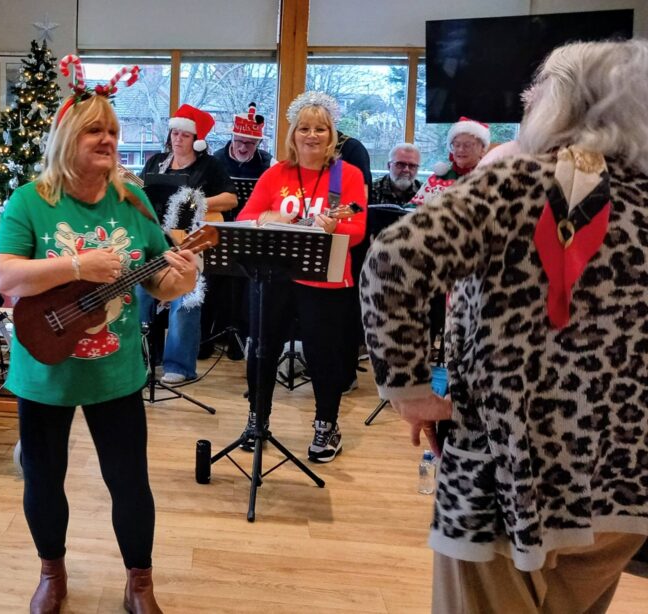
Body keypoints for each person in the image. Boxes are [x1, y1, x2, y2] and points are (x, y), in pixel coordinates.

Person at [360, 39, 648, 612]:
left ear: (559, 104)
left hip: (505, 470)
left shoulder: (517, 182)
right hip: (621, 480)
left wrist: (412, 392)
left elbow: (393, 260)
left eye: (535, 92)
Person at [0, 57, 197, 614]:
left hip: (116, 370)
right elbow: (6, 274)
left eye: (113, 130)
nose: (108, 139)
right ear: (66, 136)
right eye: (95, 129)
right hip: (45, 368)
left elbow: (157, 276)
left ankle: (140, 583)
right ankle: (51, 574)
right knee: (43, 479)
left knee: (130, 482)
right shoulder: (31, 200)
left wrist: (181, 277)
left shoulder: (131, 199)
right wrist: (78, 267)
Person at [236, 91, 367, 463]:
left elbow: (357, 226)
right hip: (273, 277)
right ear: (293, 134)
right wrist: (274, 217)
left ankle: (327, 425)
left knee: (324, 355)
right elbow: (247, 217)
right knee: (262, 350)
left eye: (321, 129)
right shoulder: (275, 173)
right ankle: (256, 420)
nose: (312, 136)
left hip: (326, 280)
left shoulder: (349, 176)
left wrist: (334, 228)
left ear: (332, 135)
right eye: (304, 128)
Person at [138, 103, 237, 383]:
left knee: (185, 301)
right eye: (174, 134)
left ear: (197, 140)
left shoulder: (210, 166)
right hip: (156, 240)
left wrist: (195, 203)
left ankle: (179, 366)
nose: (177, 139)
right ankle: (143, 359)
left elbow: (231, 199)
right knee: (141, 295)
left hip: (192, 242)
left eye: (184, 135)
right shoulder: (156, 162)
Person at [210, 103, 274, 360]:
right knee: (216, 281)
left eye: (250, 143)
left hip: (252, 233)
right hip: (220, 229)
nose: (244, 147)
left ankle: (241, 338)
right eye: (240, 141)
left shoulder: (268, 163)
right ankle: (215, 334)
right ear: (232, 138)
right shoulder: (216, 160)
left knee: (246, 283)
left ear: (258, 144)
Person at [409, 116, 489, 207]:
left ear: (483, 149)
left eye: (468, 145)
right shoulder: (438, 178)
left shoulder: (491, 178)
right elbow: (412, 210)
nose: (461, 149)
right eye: (456, 144)